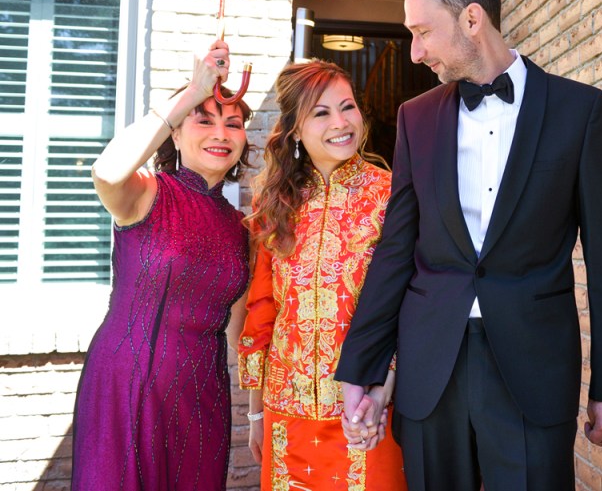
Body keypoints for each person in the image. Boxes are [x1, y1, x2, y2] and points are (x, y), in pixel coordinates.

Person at [335, 0, 602, 490]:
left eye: (423, 32)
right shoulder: (415, 119)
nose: (415, 52)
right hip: (431, 369)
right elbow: (396, 250)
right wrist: (363, 365)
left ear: (472, 19)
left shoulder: (581, 111)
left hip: (533, 371)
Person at [72, 41, 252, 490]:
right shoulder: (147, 192)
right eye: (204, 120)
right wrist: (193, 91)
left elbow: (240, 332)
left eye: (233, 124)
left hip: (203, 395)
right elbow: (105, 171)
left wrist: (261, 408)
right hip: (126, 385)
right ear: (175, 133)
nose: (221, 134)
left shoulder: (240, 227)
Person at [238, 60, 405, 490]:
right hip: (286, 415)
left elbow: (410, 302)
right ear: (295, 129)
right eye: (321, 112)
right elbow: (262, 308)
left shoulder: (391, 195)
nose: (341, 123)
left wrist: (384, 388)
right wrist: (255, 413)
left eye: (347, 107)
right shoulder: (275, 202)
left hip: (365, 409)